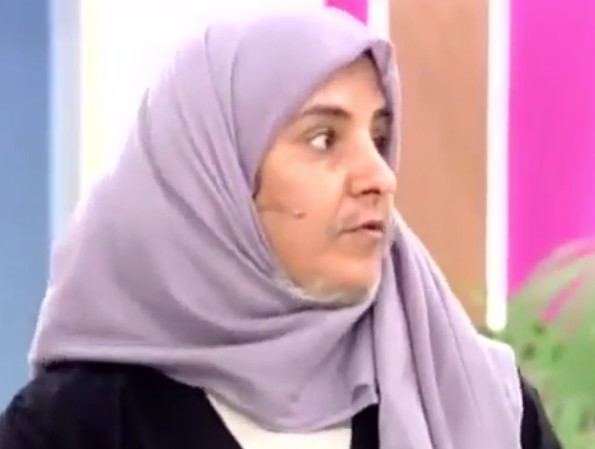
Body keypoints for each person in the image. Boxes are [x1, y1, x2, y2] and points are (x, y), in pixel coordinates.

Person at [0, 7, 560, 449]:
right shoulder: (77, 426)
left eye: (379, 137)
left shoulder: (477, 399)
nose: (379, 177)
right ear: (216, 180)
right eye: (323, 139)